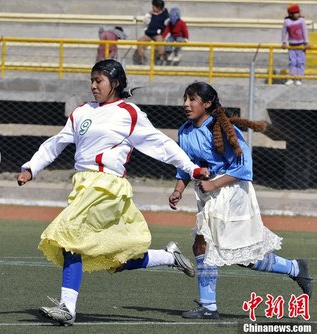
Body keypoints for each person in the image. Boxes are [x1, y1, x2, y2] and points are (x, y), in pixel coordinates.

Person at [16, 59, 210, 326]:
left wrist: (192, 168)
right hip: (83, 186)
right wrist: (31, 167)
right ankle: (169, 257)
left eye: (99, 81)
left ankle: (67, 309)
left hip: (106, 187)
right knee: (110, 258)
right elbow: (56, 143)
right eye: (92, 81)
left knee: (69, 236)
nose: (94, 85)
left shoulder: (128, 112)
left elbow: (161, 143)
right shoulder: (82, 111)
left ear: (115, 84)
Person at [168, 81, 313, 319]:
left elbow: (245, 167)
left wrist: (214, 182)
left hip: (233, 193)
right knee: (220, 250)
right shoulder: (185, 130)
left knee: (213, 247)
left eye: (192, 99)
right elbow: (186, 167)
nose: (186, 104)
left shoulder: (223, 129)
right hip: (208, 194)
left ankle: (209, 307)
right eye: (185, 98)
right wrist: (178, 190)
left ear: (207, 103)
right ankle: (294, 268)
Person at [281, 3, 310, 86]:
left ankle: (299, 78)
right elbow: (284, 32)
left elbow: (305, 31)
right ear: (290, 14)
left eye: (298, 13)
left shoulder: (302, 21)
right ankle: (291, 77)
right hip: (292, 45)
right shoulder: (287, 21)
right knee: (292, 62)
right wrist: (284, 42)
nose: (297, 14)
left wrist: (306, 42)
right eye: (295, 13)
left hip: (301, 45)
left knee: (300, 62)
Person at [133, 0, 169, 65]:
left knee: (160, 41)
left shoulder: (165, 15)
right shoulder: (151, 15)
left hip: (157, 34)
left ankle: (161, 57)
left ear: (158, 7)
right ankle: (142, 57)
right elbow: (146, 21)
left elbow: (168, 24)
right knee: (140, 40)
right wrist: (148, 15)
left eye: (154, 7)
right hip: (149, 34)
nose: (152, 8)